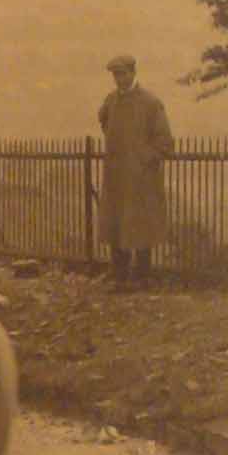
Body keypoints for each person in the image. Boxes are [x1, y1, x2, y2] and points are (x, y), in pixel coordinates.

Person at [98, 54, 172, 289]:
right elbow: (104, 121)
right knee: (116, 220)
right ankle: (119, 273)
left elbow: (164, 141)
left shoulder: (151, 103)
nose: (119, 79)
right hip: (116, 174)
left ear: (133, 73)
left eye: (122, 74)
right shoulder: (110, 101)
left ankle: (142, 275)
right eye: (115, 75)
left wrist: (143, 159)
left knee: (141, 224)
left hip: (141, 177)